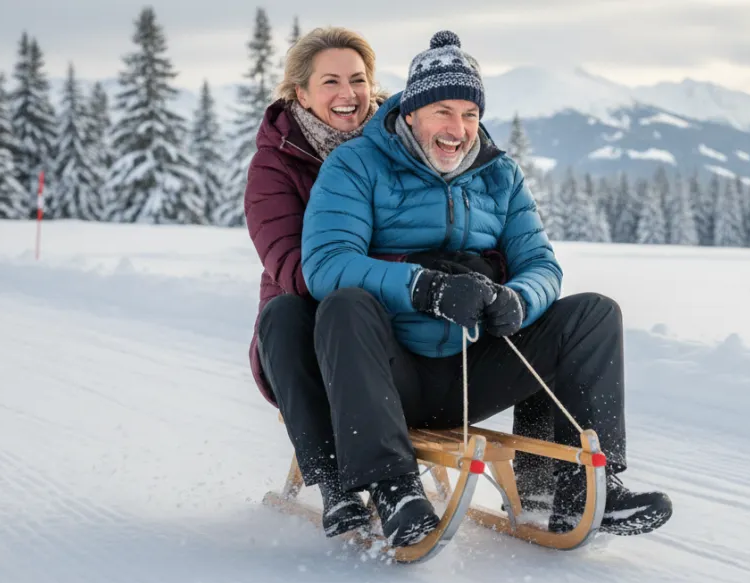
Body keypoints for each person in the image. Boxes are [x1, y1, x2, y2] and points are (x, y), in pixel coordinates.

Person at [298, 30, 673, 547]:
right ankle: (395, 491)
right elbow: (326, 263)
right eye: (443, 112)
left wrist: (518, 298)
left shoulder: (500, 175)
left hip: (475, 368)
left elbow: (541, 264)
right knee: (343, 306)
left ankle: (585, 492)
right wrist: (423, 288)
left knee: (594, 314)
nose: (458, 129)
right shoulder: (356, 165)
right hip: (389, 375)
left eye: (470, 114)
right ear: (410, 112)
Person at [244, 26, 390, 538]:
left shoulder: (398, 145)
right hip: (305, 336)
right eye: (330, 82)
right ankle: (334, 487)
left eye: (357, 79)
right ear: (300, 93)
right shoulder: (275, 164)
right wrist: (384, 284)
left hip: (393, 329)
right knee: (283, 313)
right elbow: (292, 268)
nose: (347, 94)